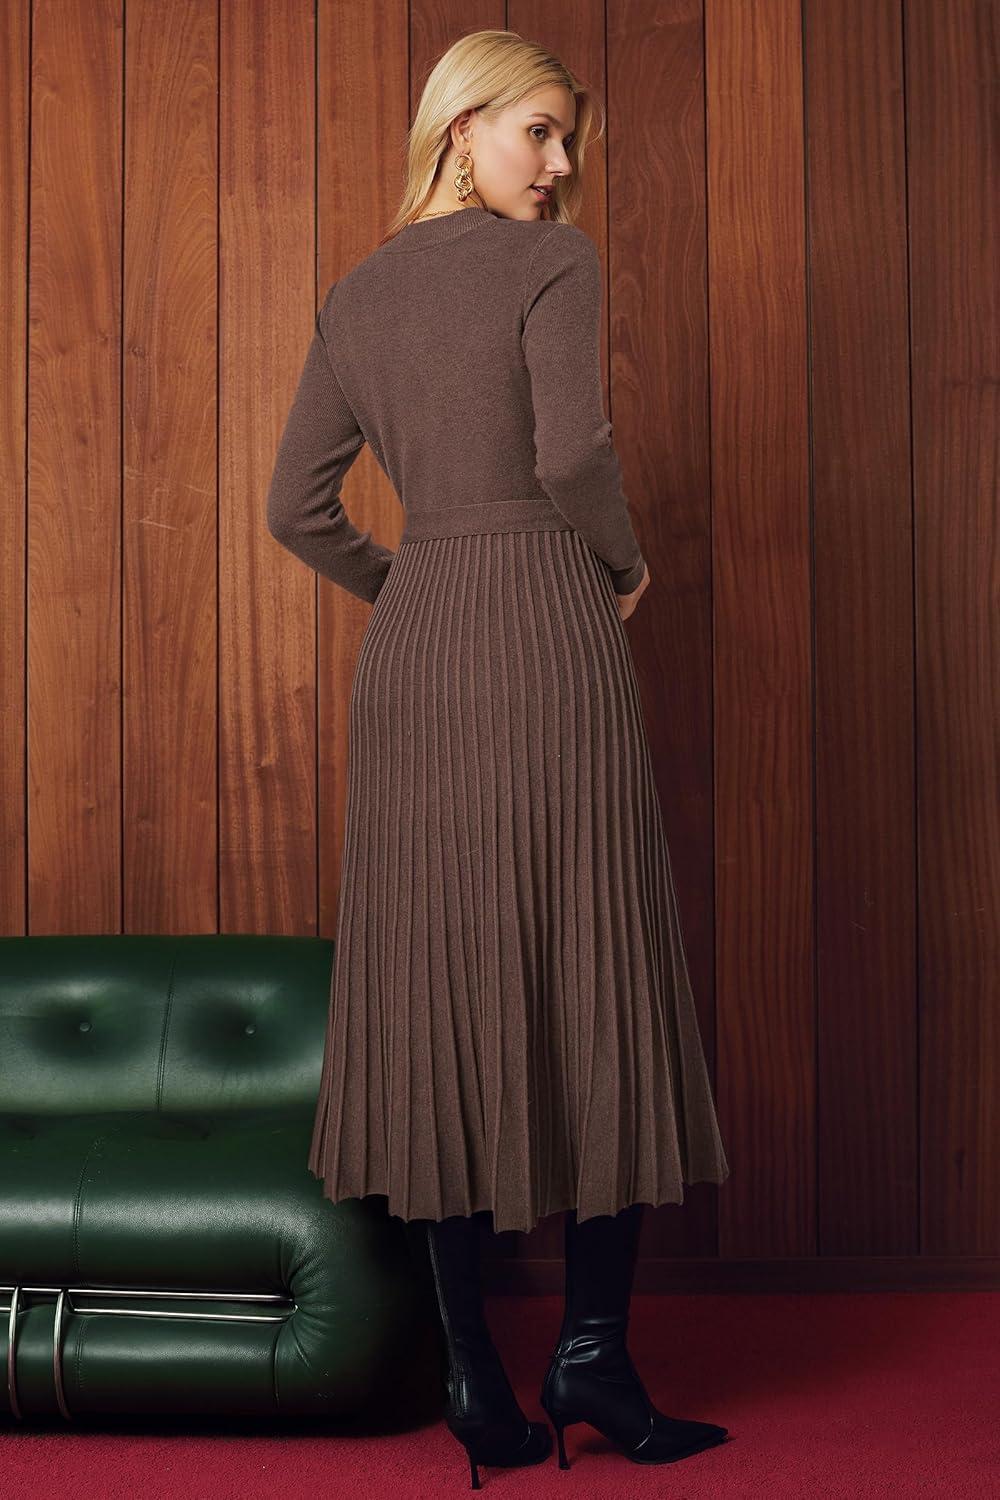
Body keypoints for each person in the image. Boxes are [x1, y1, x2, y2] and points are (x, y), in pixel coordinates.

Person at [266, 27, 730, 1490]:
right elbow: (575, 454)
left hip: (418, 653)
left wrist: (410, 581)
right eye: (540, 131)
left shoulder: (357, 292)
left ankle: (476, 1379)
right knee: (594, 961)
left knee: (438, 988)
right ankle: (593, 1358)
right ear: (461, 128)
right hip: (545, 621)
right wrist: (626, 566)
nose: (561, 164)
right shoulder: (554, 263)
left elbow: (296, 508)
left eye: (567, 139)